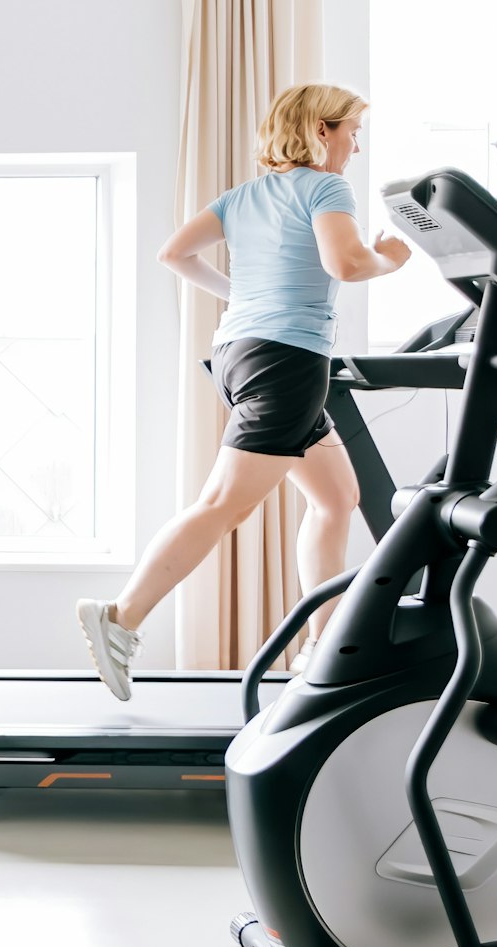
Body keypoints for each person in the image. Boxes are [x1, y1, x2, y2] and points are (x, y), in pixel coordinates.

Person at [77, 83, 411, 699]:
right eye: (351, 132)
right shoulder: (327, 187)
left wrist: (249, 300)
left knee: (337, 498)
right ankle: (119, 617)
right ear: (320, 131)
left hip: (240, 353)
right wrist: (390, 257)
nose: (356, 146)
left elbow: (174, 254)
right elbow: (347, 265)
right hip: (286, 361)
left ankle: (322, 641)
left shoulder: (244, 196)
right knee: (222, 505)